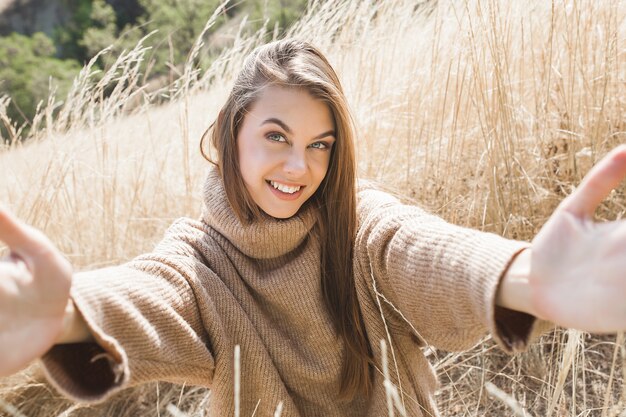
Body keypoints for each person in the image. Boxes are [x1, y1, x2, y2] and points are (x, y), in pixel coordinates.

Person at [1, 38, 625, 417]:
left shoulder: (359, 224)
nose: (300, 168)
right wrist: (66, 317)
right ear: (231, 133)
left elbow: (424, 252)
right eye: (276, 136)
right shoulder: (200, 262)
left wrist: (524, 278)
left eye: (320, 144)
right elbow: (154, 294)